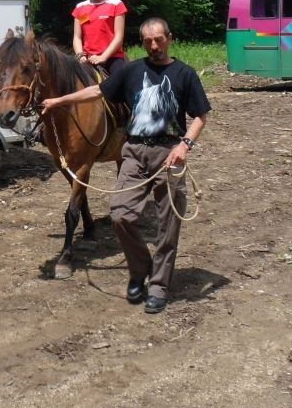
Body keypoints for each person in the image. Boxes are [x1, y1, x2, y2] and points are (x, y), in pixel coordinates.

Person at [41, 18, 211, 313]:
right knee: (120, 215)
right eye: (148, 41)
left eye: (159, 39)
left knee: (168, 224)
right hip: (134, 152)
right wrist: (58, 101)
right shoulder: (133, 71)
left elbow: (200, 116)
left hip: (169, 152)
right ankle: (140, 268)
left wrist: (185, 145)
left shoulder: (184, 73)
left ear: (170, 38)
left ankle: (158, 287)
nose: (154, 46)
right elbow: (97, 91)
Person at [72, 0, 127, 75]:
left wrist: (103, 57)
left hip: (112, 58)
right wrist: (80, 55)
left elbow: (119, 37)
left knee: (124, 79)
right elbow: (77, 37)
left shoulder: (116, 5)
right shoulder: (80, 7)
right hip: (88, 59)